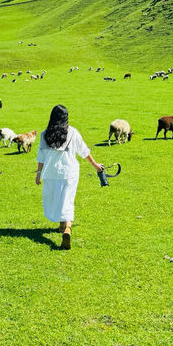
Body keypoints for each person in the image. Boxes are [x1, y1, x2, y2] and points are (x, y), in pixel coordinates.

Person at [35, 104, 104, 250]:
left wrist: (38, 174)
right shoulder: (73, 132)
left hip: (51, 173)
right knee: (67, 199)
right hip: (69, 172)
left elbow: (41, 157)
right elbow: (84, 151)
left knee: (54, 199)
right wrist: (95, 165)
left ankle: (62, 225)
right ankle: (67, 228)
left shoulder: (44, 134)